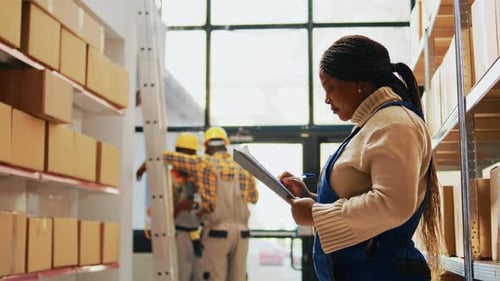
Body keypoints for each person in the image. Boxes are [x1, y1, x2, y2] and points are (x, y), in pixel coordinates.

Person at [279, 34, 443, 281]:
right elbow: (361, 196)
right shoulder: (372, 125)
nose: (326, 99)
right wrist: (311, 198)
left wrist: (316, 214)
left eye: (330, 87)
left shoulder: (394, 125)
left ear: (359, 82)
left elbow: (392, 204)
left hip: (383, 272)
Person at [137, 126, 259, 281]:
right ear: (226, 144)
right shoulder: (243, 168)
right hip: (242, 235)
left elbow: (173, 158)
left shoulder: (204, 164)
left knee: (213, 276)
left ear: (206, 146)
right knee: (238, 277)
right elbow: (254, 198)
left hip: (217, 233)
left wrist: (149, 161)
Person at [137, 132, 203, 281]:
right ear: (178, 154)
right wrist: (179, 206)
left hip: (196, 236)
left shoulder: (198, 178)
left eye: (190, 154)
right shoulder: (168, 178)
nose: (187, 159)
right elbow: (156, 213)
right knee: (181, 275)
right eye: (184, 154)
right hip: (177, 235)